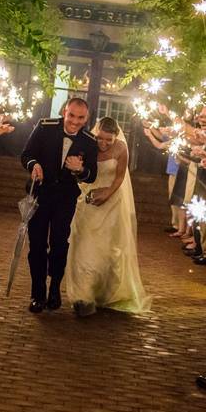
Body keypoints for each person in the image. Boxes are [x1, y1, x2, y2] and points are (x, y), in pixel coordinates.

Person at [65, 117, 151, 316]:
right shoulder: (87, 144)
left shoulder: (121, 148)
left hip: (112, 202)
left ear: (115, 137)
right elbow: (81, 171)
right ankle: (83, 296)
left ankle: (104, 293)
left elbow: (120, 176)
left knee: (107, 251)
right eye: (100, 138)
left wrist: (108, 193)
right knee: (83, 248)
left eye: (108, 140)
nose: (103, 144)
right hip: (88, 199)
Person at [20, 98, 98, 313]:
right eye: (71, 115)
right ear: (65, 111)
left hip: (65, 198)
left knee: (59, 244)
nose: (74, 121)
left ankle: (54, 287)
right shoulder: (45, 127)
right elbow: (26, 154)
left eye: (80, 118)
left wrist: (80, 170)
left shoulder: (90, 141)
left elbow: (92, 176)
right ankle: (38, 293)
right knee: (36, 244)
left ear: (87, 118)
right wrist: (33, 165)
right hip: (40, 194)